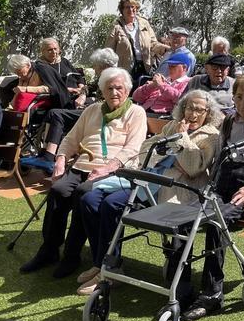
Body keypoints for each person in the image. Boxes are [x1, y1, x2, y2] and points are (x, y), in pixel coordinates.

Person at [76, 90, 222, 295]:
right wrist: (171, 154)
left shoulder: (211, 136)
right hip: (150, 179)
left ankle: (110, 269)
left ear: (208, 113)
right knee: (89, 199)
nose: (193, 114)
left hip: (172, 191)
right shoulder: (173, 124)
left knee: (111, 205)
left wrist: (180, 139)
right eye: (190, 108)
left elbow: (192, 167)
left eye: (200, 110)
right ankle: (101, 260)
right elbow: (147, 149)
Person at [19, 68, 147, 278]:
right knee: (58, 191)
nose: (114, 92)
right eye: (109, 88)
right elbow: (71, 138)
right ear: (102, 91)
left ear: (128, 90)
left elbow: (134, 148)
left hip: (115, 170)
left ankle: (71, 255)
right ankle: (49, 250)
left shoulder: (136, 112)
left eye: (119, 88)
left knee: (83, 193)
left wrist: (108, 167)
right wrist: (60, 159)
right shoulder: (93, 110)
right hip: (82, 166)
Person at [181, 74, 244, 321]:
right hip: (223, 184)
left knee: (216, 221)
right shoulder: (228, 121)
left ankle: (212, 294)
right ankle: (181, 287)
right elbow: (219, 160)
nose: (242, 103)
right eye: (238, 97)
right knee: (184, 216)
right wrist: (210, 188)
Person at [22, 48, 120, 171]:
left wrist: (90, 103)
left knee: (57, 114)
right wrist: (83, 94)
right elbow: (87, 87)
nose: (94, 68)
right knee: (52, 112)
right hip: (92, 110)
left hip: (99, 114)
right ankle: (44, 154)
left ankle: (48, 157)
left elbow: (110, 102)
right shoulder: (103, 76)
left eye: (95, 66)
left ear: (103, 65)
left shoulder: (114, 79)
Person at [105, 0, 168, 81]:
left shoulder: (144, 23)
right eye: (127, 7)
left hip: (145, 66)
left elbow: (153, 44)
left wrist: (166, 49)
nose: (131, 9)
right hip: (126, 69)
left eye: (133, 7)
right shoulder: (116, 27)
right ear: (122, 10)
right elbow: (109, 51)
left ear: (136, 8)